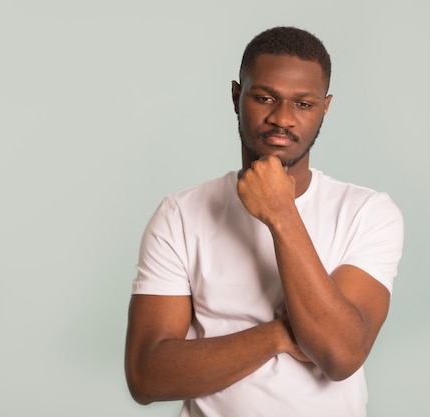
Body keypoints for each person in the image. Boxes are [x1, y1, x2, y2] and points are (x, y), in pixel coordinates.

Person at [124, 26, 404, 417]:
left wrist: (281, 213)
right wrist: (279, 335)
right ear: (237, 96)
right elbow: (146, 376)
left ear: (325, 108)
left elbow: (340, 355)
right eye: (265, 97)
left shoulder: (368, 212)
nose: (282, 118)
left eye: (303, 104)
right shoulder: (181, 214)